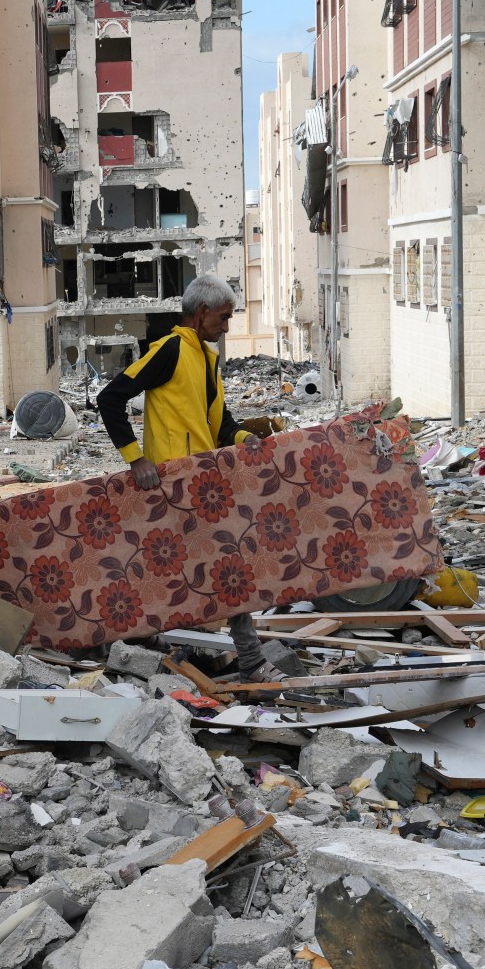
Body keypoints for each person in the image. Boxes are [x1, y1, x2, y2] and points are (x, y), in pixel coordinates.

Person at [94, 274, 283, 677]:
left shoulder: (206, 358)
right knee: (230, 565)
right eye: (224, 318)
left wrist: (248, 438)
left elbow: (219, 424)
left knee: (174, 569)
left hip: (201, 484)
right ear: (201, 314)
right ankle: (252, 661)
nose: (227, 327)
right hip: (170, 486)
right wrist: (135, 459)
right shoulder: (171, 350)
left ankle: (142, 643)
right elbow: (109, 398)